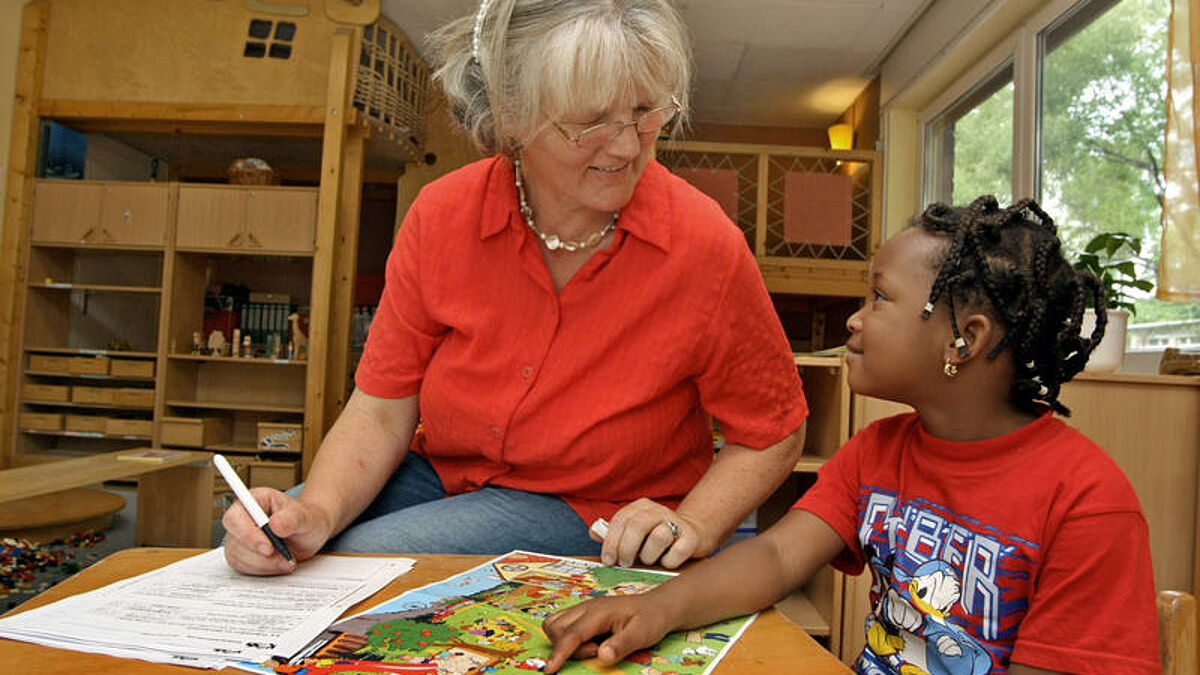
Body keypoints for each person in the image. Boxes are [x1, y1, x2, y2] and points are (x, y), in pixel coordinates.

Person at [221, 0, 808, 577]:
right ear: (511, 116)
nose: (629, 145)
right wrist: (317, 512)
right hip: (443, 470)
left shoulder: (703, 244)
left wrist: (695, 525)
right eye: (590, 120)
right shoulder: (442, 215)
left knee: (358, 565)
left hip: (593, 506)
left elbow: (774, 430)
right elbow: (382, 408)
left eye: (645, 110)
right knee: (266, 544)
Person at [543, 196, 1160, 674]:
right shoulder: (877, 452)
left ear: (963, 339)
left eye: (879, 298)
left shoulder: (1087, 500)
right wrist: (656, 609)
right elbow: (779, 555)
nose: (854, 319)